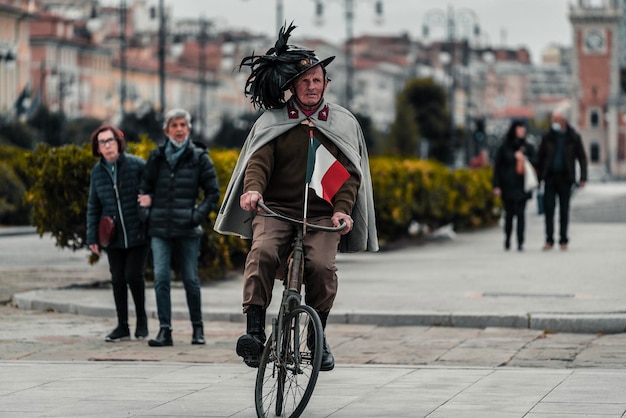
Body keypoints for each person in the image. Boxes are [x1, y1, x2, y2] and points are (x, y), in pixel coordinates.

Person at [214, 23, 378, 371]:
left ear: (326, 84)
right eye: (304, 81)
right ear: (292, 86)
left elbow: (348, 176)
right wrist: (253, 189)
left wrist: (343, 211)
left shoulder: (342, 123)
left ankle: (317, 337)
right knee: (262, 252)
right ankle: (254, 333)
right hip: (275, 209)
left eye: (317, 80)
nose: (311, 86)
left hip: (321, 216)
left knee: (321, 266)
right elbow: (258, 161)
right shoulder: (273, 121)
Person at [138, 109, 220, 347]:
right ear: (166, 130)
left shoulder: (200, 158)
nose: (179, 129)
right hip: (159, 228)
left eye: (183, 124)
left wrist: (196, 216)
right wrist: (148, 214)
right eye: (174, 125)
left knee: (191, 280)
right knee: (161, 278)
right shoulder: (157, 157)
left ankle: (198, 329)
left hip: (188, 228)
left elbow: (212, 192)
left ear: (189, 129)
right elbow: (143, 189)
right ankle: (165, 330)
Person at [86, 125, 150, 342]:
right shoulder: (97, 172)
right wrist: (91, 237)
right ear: (98, 148)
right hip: (112, 236)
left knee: (134, 275)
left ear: (118, 142)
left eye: (110, 140)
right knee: (118, 279)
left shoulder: (136, 164)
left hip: (138, 232)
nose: (107, 145)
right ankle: (122, 325)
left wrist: (147, 206)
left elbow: (152, 189)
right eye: (102, 142)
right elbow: (93, 205)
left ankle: (142, 321)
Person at [537, 110, 587, 251]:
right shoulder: (548, 137)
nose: (554, 123)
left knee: (564, 210)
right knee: (549, 210)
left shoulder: (573, 137)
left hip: (566, 178)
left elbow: (582, 157)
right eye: (553, 120)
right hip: (550, 177)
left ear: (564, 121)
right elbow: (540, 157)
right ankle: (549, 239)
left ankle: (563, 239)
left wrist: (583, 177)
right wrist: (539, 177)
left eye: (557, 120)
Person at [492, 120, 537, 251]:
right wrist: (497, 185)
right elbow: (498, 167)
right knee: (509, 215)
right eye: (519, 129)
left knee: (521, 214)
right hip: (507, 186)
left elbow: (536, 162)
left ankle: (520, 242)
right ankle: (507, 238)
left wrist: (524, 158)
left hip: (522, 186)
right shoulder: (504, 147)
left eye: (523, 130)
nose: (522, 132)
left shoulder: (528, 147)